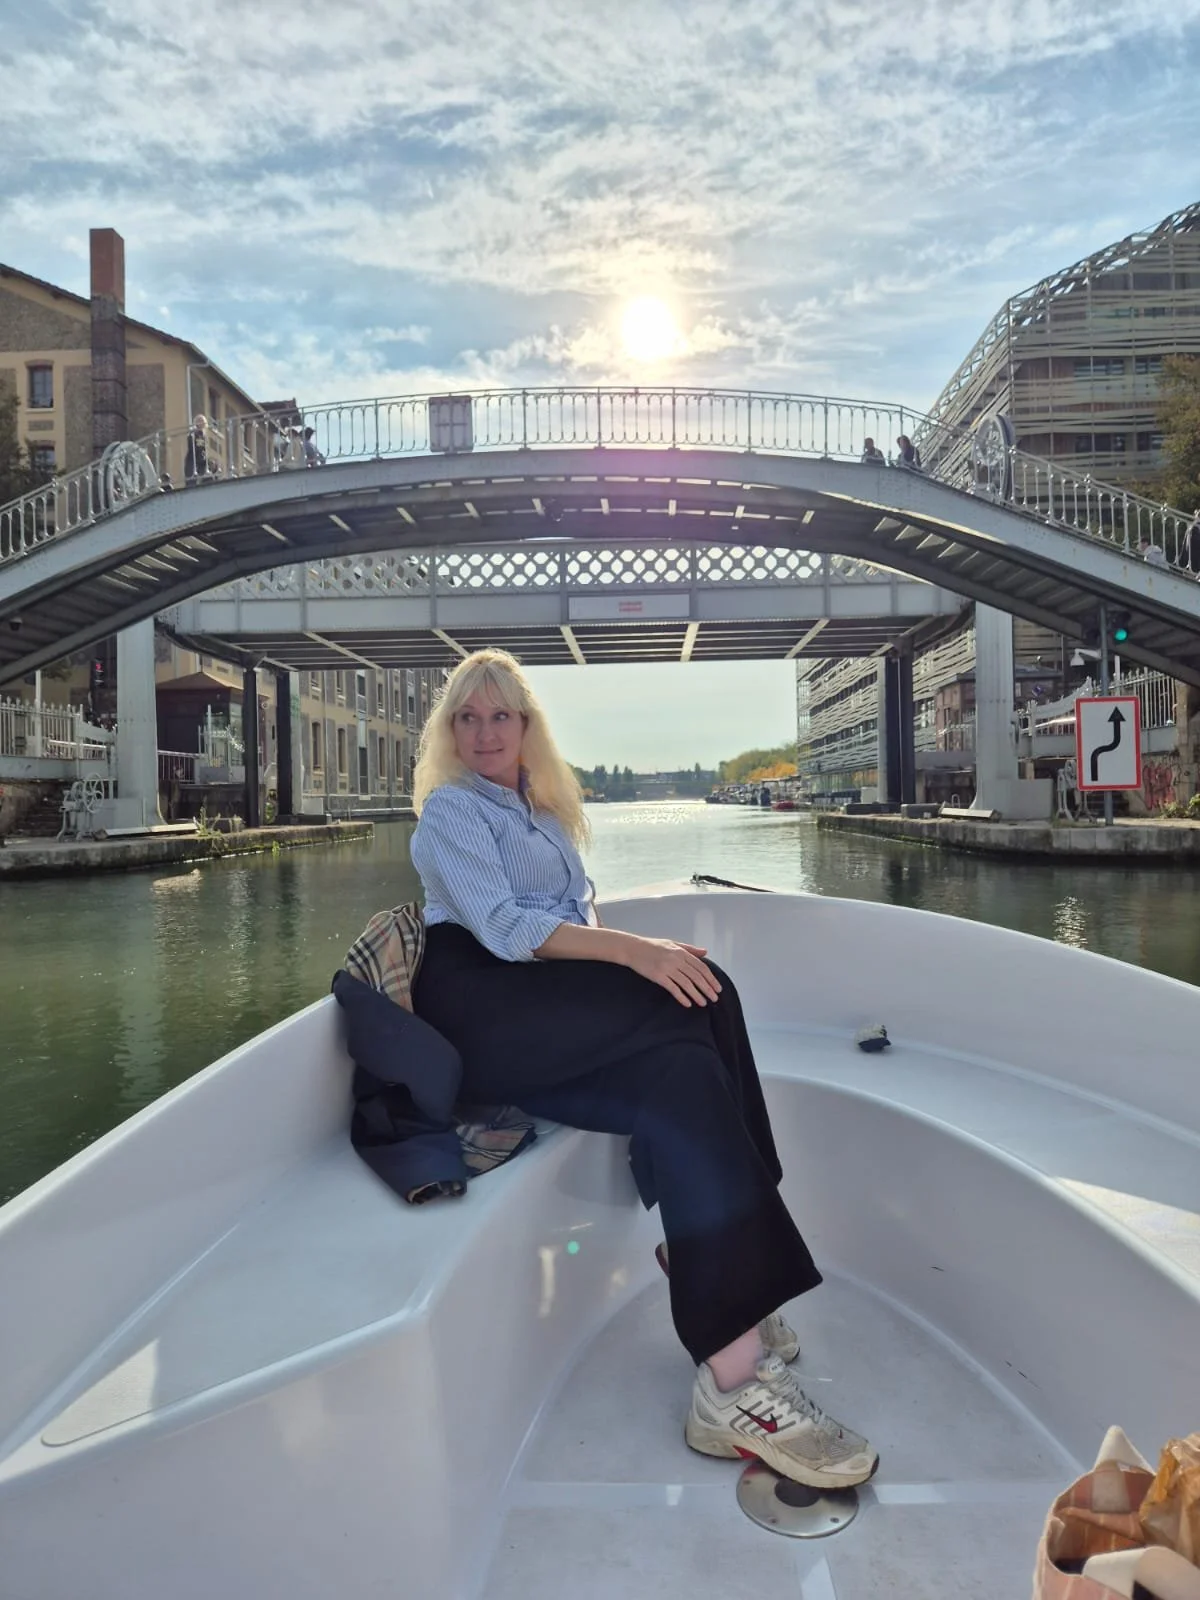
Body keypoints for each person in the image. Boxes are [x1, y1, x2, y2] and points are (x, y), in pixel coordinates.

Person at [408, 648, 878, 1490]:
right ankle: (738, 1346)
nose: (484, 733)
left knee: (689, 1055)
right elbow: (508, 929)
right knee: (688, 994)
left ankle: (721, 1317)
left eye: (500, 716)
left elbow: (567, 919)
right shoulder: (450, 811)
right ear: (451, 732)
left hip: (545, 994)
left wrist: (630, 960)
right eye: (467, 719)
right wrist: (633, 953)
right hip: (482, 1002)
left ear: (526, 728)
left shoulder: (543, 813)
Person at [183, 414, 209, 485]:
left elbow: (204, 448)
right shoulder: (192, 434)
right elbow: (192, 447)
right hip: (192, 460)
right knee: (191, 480)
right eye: (200, 421)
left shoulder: (203, 436)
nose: (202, 424)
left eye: (203, 422)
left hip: (201, 460)